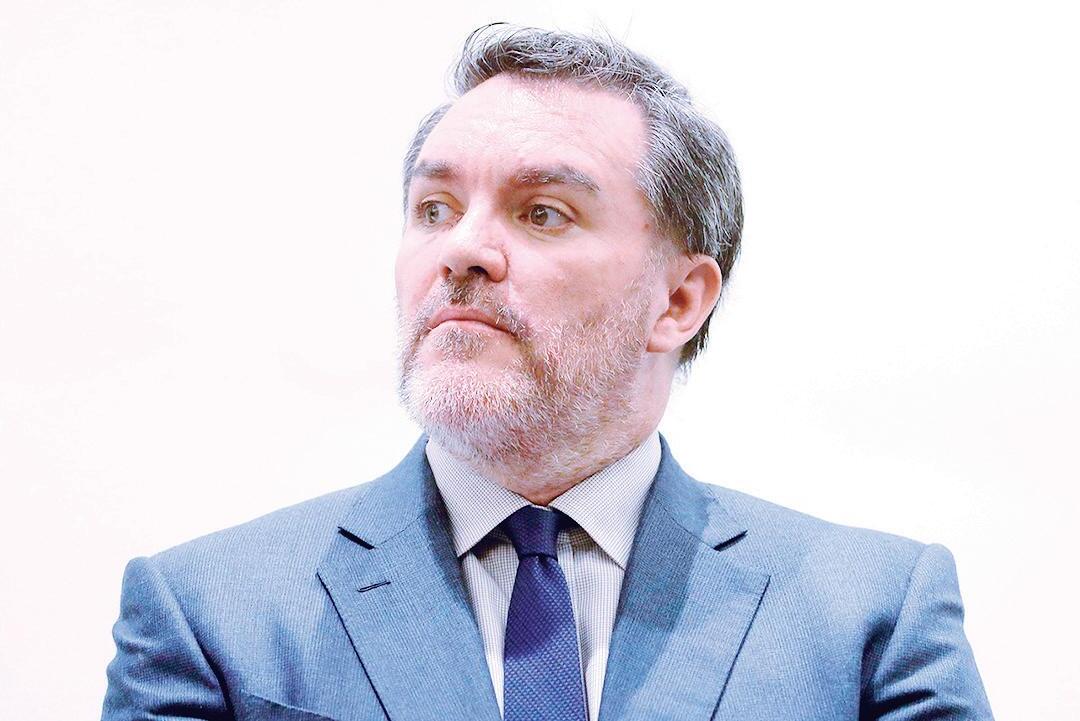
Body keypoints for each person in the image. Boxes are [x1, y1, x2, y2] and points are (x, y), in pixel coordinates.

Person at [101, 24, 994, 721]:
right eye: (434, 207)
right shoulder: (208, 615)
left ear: (679, 300)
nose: (462, 249)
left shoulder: (870, 616)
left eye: (543, 212)